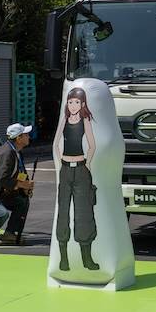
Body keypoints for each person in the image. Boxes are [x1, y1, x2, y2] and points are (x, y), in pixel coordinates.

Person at [54, 87, 99, 270]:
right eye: (71, 102)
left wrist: (86, 166)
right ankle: (63, 259)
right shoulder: (64, 119)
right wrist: (60, 162)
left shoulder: (86, 120)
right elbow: (56, 143)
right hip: (65, 169)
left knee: (84, 213)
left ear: (83, 104)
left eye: (77, 102)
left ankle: (87, 259)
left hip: (81, 169)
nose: (73, 105)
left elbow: (92, 145)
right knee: (62, 212)